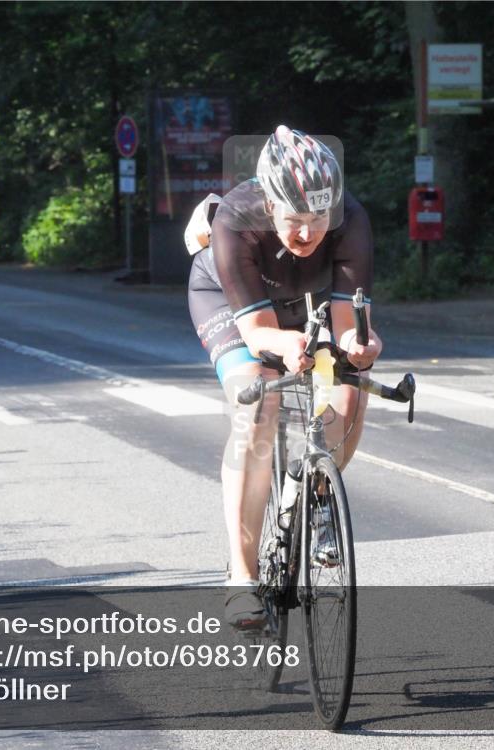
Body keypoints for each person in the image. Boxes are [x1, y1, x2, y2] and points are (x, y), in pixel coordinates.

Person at [186, 126, 381, 628]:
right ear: (270, 205)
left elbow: (347, 325)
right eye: (294, 220)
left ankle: (316, 493)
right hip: (230, 303)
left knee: (351, 386)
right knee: (258, 407)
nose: (307, 234)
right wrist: (287, 345)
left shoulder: (351, 218)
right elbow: (257, 334)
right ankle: (241, 578)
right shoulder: (235, 219)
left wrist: (359, 346)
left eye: (318, 220)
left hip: (304, 300)